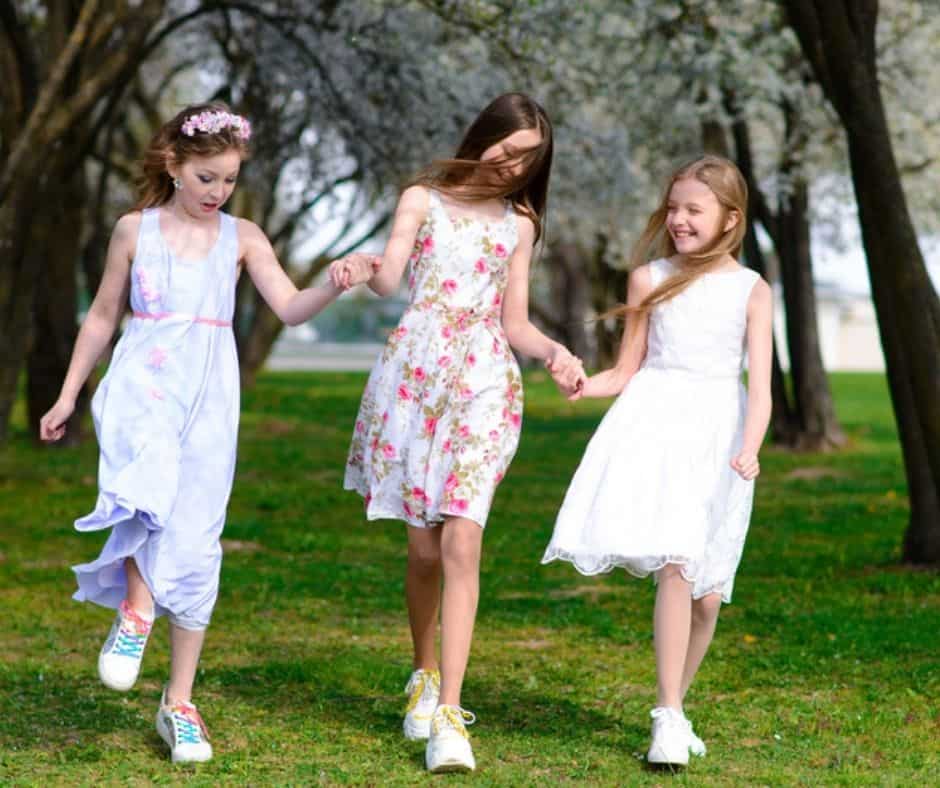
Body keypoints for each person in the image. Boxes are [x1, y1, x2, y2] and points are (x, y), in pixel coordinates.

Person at [39, 101, 372, 764]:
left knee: (195, 537)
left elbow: (290, 304)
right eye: (206, 178)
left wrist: (333, 284)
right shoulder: (135, 231)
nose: (218, 192)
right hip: (146, 381)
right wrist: (69, 393)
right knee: (148, 482)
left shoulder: (243, 238)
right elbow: (103, 317)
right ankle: (136, 609)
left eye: (228, 180)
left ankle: (179, 703)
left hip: (211, 395)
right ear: (174, 164)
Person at [333, 92, 584, 773]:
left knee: (463, 538)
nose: (513, 164)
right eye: (510, 147)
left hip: (483, 384)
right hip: (415, 379)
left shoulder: (519, 225)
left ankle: (450, 713)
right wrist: (359, 269)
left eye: (531, 158)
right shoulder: (422, 198)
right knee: (423, 552)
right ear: (486, 135)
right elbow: (389, 280)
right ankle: (421, 673)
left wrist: (554, 352)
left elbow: (515, 322)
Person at [542, 155, 773, 767]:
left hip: (720, 436)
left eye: (692, 209)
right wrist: (581, 385)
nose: (678, 219)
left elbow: (762, 387)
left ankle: (679, 704)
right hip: (659, 426)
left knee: (707, 595)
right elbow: (625, 370)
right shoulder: (648, 279)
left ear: (729, 219)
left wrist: (749, 448)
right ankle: (666, 717)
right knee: (677, 561)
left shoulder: (752, 290)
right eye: (673, 208)